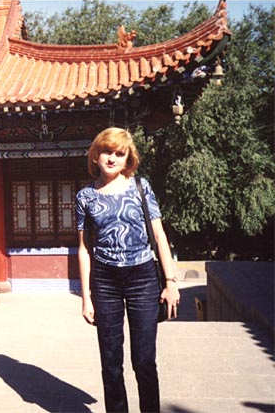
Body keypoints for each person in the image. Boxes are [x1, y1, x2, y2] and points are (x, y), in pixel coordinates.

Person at [75, 127, 180, 413]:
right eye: (106, 151)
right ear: (95, 155)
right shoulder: (85, 197)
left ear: (128, 159)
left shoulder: (140, 187)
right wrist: (86, 297)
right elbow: (84, 249)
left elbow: (159, 236)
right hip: (105, 280)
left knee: (144, 360)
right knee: (110, 363)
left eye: (119, 154)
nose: (112, 158)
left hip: (143, 277)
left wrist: (170, 282)